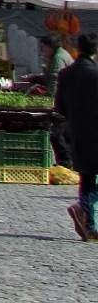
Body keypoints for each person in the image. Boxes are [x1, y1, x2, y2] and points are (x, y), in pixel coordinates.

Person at [54, 33, 98, 241]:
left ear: (78, 49)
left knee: (86, 177)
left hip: (76, 132)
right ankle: (83, 209)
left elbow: (59, 107)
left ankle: (89, 224)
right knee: (90, 179)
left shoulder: (65, 74)